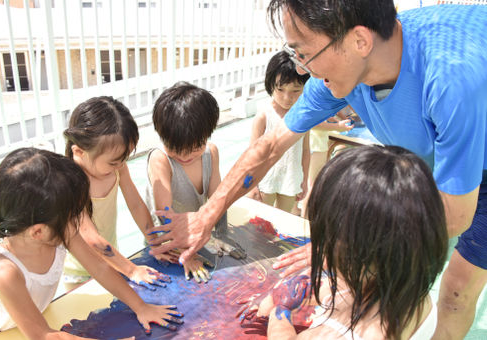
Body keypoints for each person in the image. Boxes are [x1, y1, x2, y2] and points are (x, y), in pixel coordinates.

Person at [147, 2, 487, 339]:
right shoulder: (348, 67)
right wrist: (207, 215)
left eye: (303, 53)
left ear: (359, 41)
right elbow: (269, 147)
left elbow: (456, 216)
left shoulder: (451, 81)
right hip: (441, 151)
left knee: (457, 288)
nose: (303, 68)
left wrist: (340, 249)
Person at [0, 148, 183, 340]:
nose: (78, 221)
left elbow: (100, 268)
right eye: (72, 215)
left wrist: (141, 307)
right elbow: (43, 336)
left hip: (28, 321)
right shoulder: (5, 273)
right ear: (38, 231)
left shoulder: (60, 231)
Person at [257, 145, 448, 339]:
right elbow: (344, 296)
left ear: (350, 253)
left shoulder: (339, 334)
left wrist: (279, 314)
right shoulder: (413, 294)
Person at [63, 96, 169, 290]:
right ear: (79, 152)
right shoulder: (71, 182)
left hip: (112, 260)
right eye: (114, 162)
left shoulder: (117, 168)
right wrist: (132, 270)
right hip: (79, 272)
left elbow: (136, 204)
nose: (120, 165)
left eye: (124, 159)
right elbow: (91, 238)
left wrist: (155, 242)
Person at [145, 81, 227, 283]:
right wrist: (186, 255)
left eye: (194, 147)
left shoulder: (211, 153)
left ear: (207, 135)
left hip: (197, 236)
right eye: (174, 147)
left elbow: (217, 199)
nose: (184, 156)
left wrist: (221, 236)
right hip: (166, 243)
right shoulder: (161, 160)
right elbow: (165, 216)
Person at [247, 51, 311, 214]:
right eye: (280, 89)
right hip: (265, 178)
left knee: (283, 217)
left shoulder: (303, 115)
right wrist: (252, 184)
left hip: (290, 177)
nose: (286, 97)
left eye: (295, 90)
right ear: (270, 85)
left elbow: (305, 150)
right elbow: (252, 153)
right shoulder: (264, 115)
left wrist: (304, 180)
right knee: (261, 220)